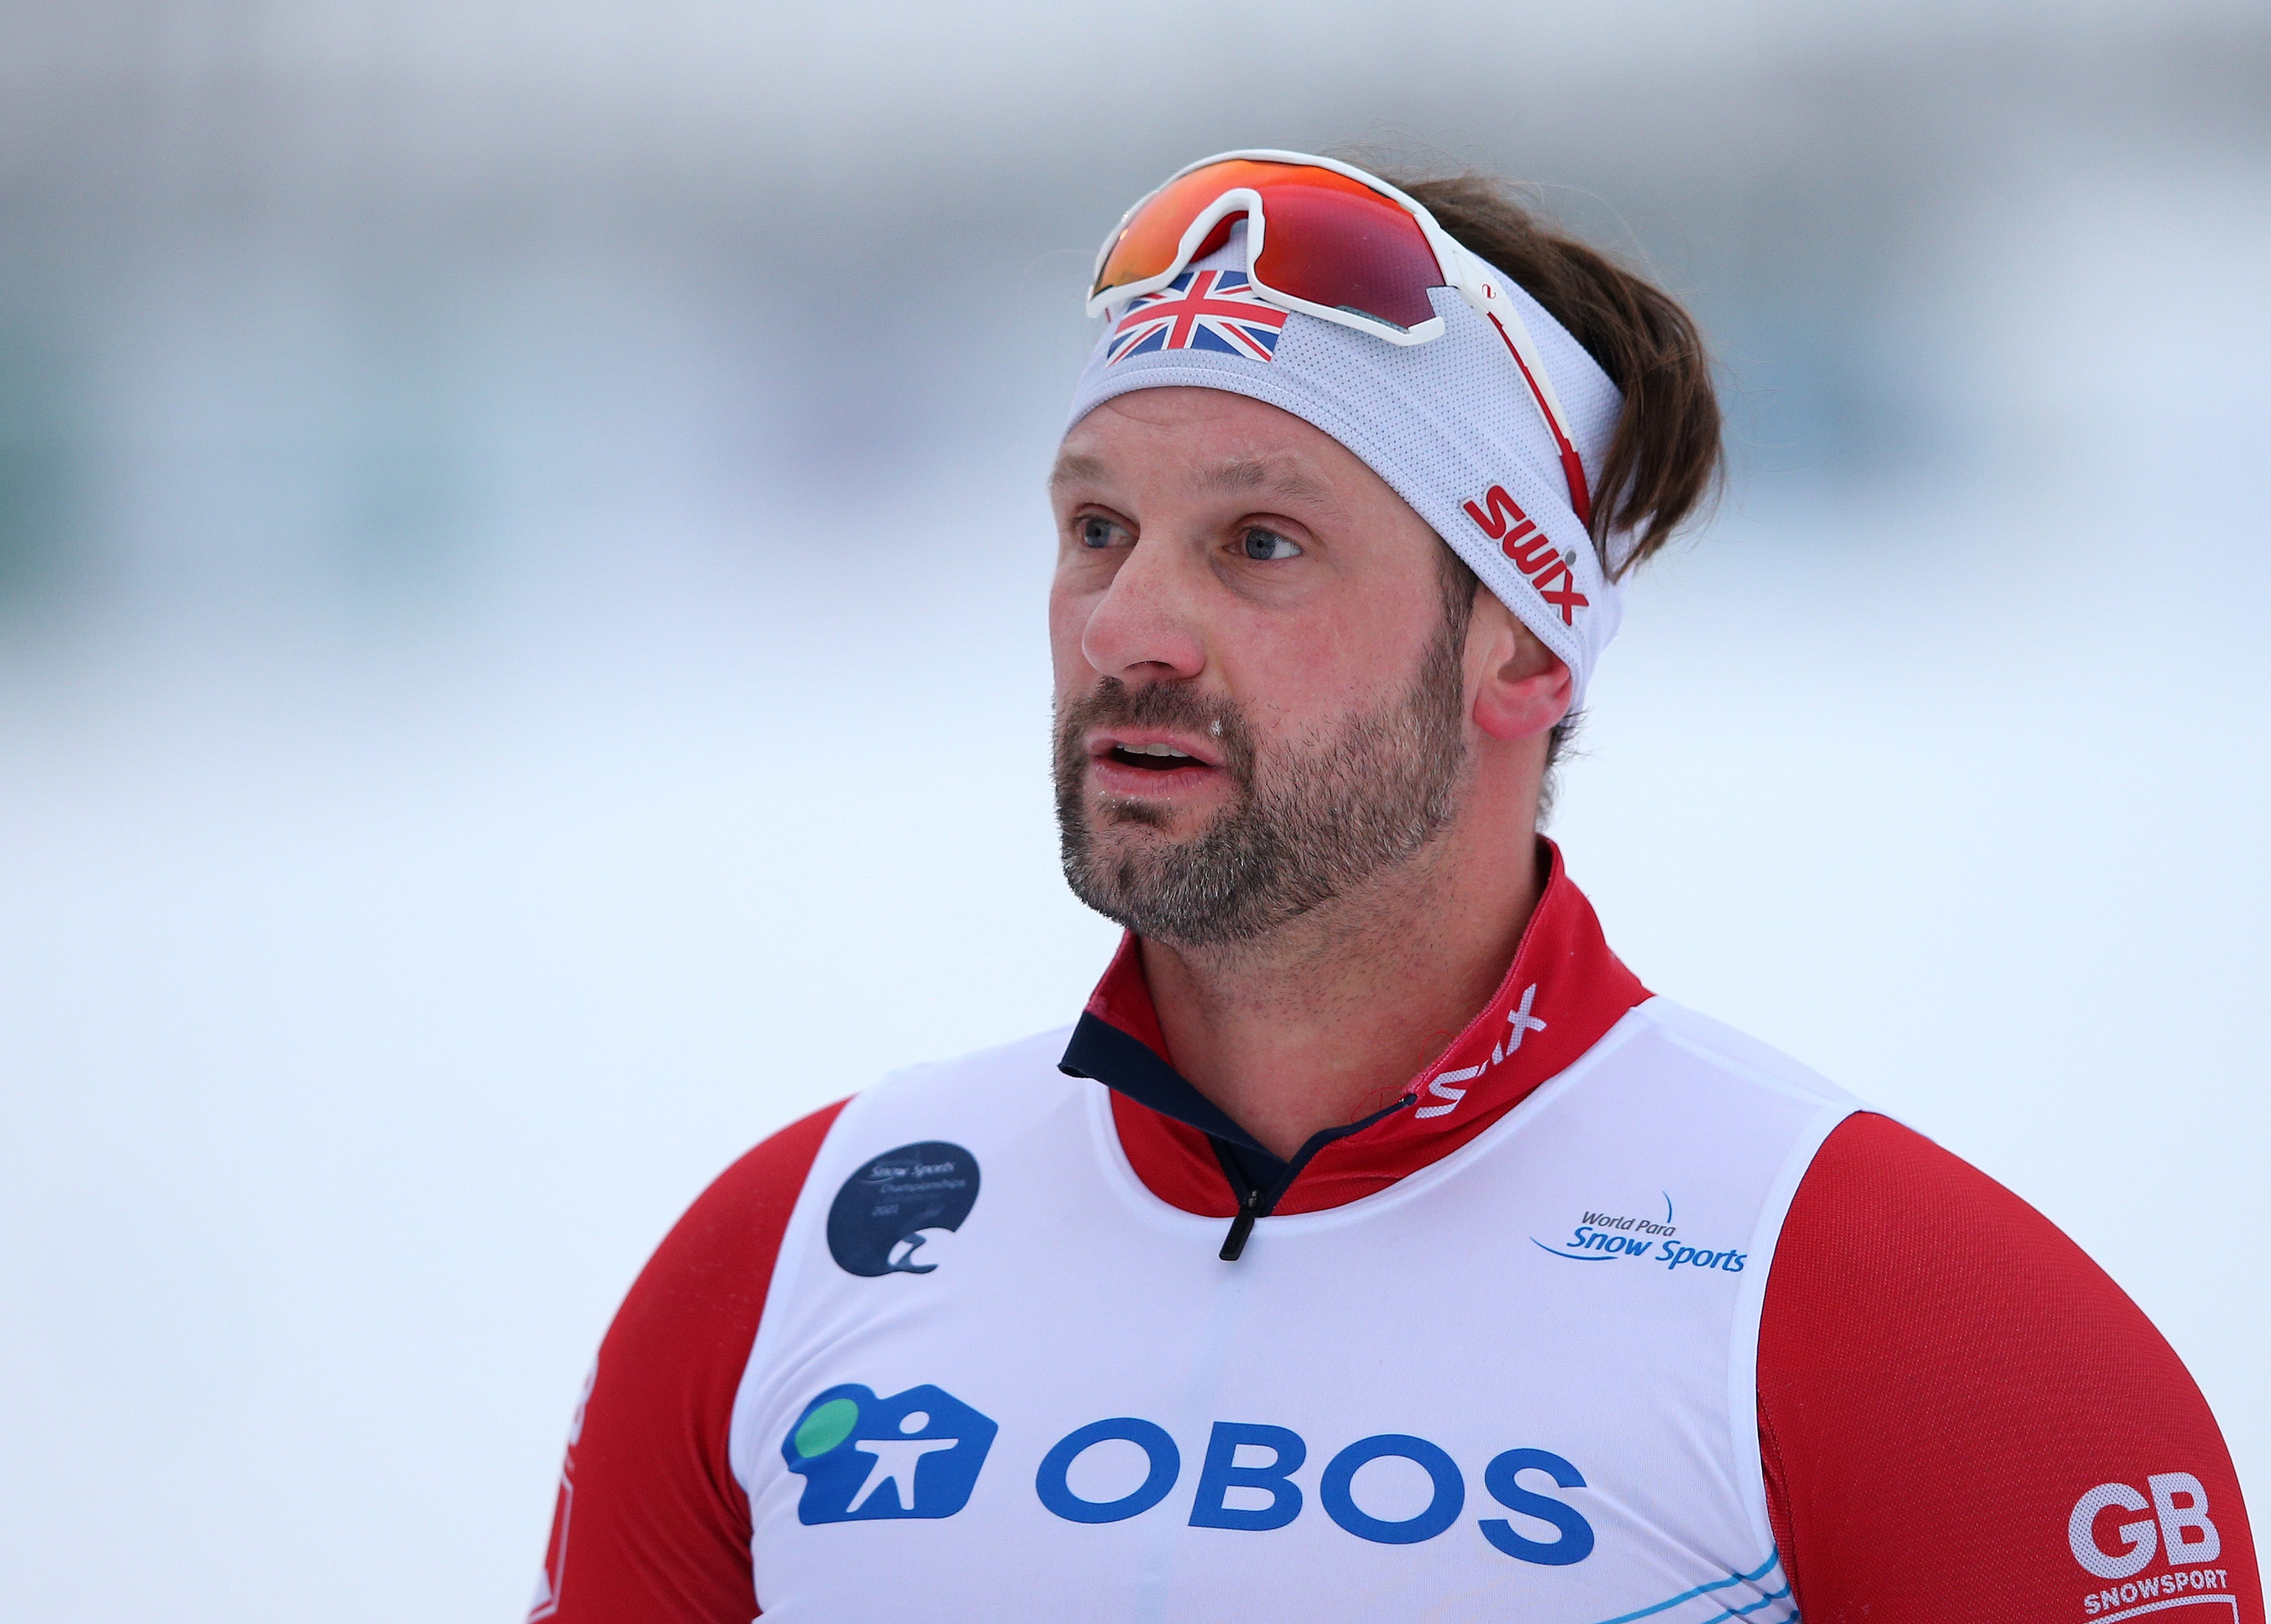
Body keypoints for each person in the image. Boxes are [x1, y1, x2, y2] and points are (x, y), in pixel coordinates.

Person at [527, 151, 2259, 1623]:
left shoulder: (1903, 1315)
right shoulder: (795, 1259)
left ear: (1519, 647)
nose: (1127, 628)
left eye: (1258, 543)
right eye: (1095, 529)